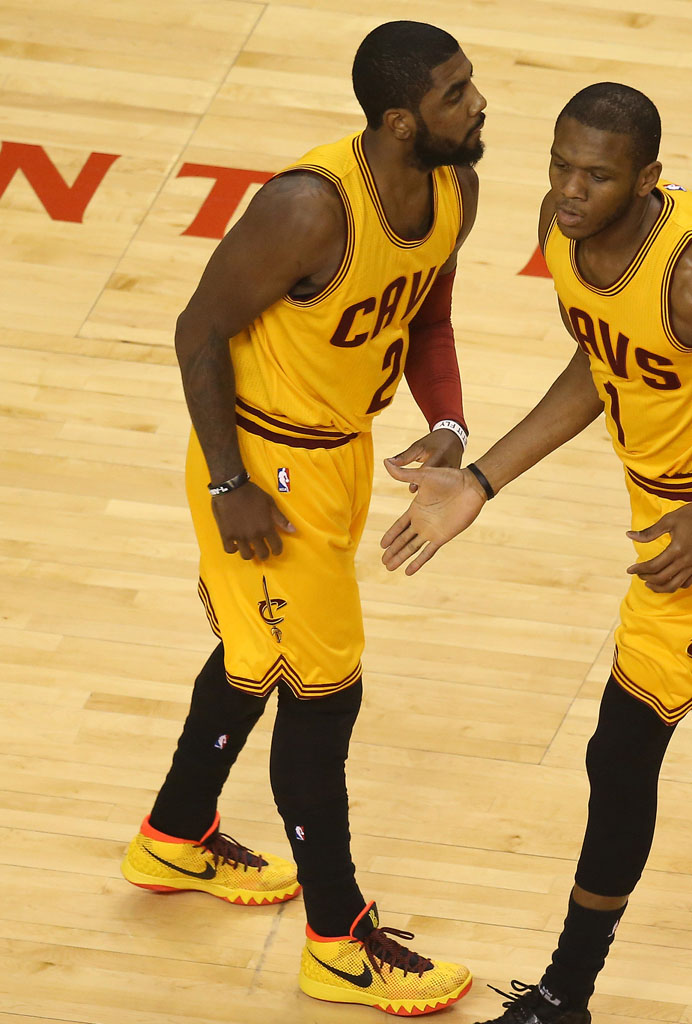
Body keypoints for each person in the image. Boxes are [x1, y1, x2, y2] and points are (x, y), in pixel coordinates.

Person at [121, 20, 486, 1016]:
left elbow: (427, 317)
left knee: (260, 653)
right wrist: (226, 485)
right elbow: (196, 329)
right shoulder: (306, 208)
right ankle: (337, 937)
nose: (477, 103)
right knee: (323, 695)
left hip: (340, 454)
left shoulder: (452, 185)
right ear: (401, 122)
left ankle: (174, 832)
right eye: (456, 94)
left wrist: (446, 421)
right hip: (262, 468)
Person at [381, 82, 692, 1023]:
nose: (570, 188)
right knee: (621, 759)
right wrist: (480, 482)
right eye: (561, 164)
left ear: (649, 179)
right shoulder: (565, 238)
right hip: (668, 548)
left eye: (597, 175)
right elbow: (600, 365)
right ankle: (566, 996)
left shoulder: (683, 271)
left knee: (622, 756)